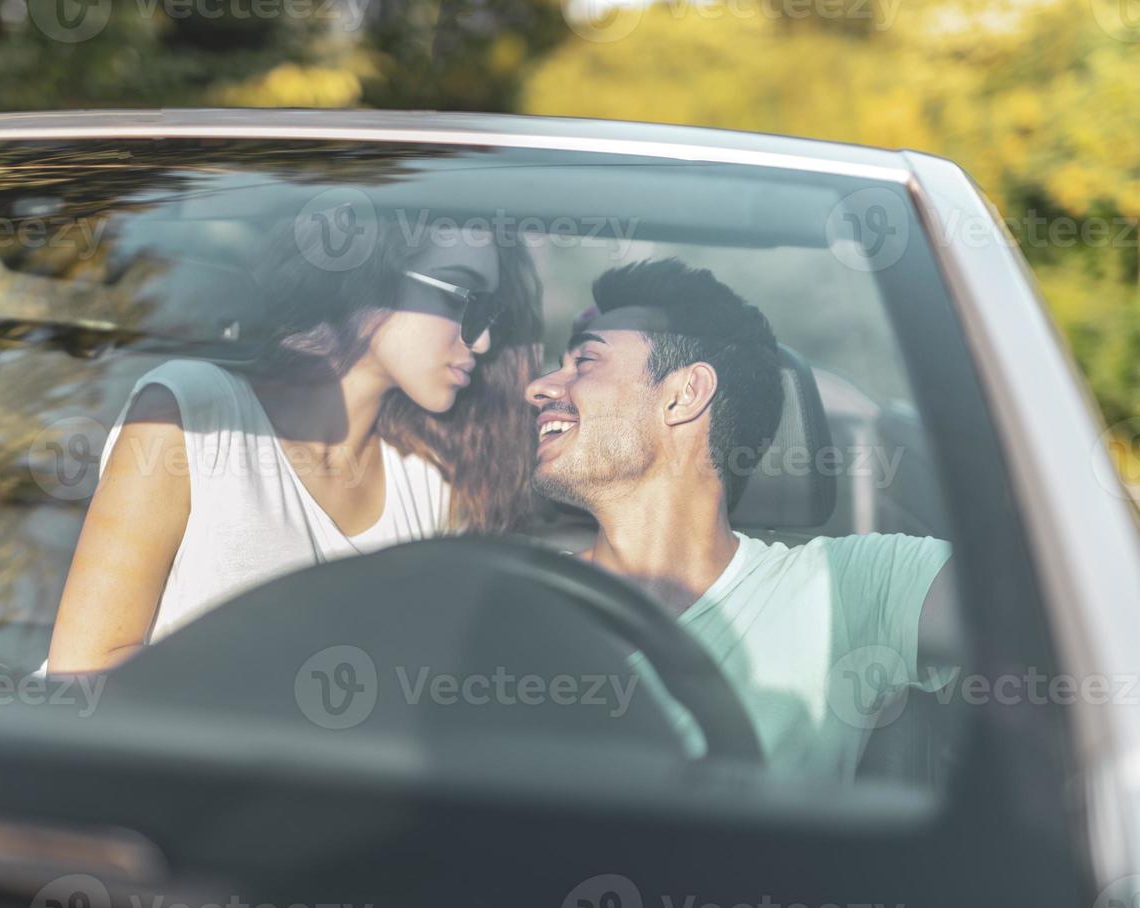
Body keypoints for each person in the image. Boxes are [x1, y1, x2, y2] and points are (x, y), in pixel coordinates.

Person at [46, 215, 543, 673]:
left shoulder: (428, 489)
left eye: (490, 314)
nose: (481, 343)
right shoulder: (196, 414)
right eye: (461, 295)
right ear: (372, 275)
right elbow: (84, 670)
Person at [525, 258, 957, 777]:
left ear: (685, 395)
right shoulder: (512, 596)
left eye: (585, 362)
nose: (539, 388)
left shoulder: (849, 586)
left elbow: (1048, 596)